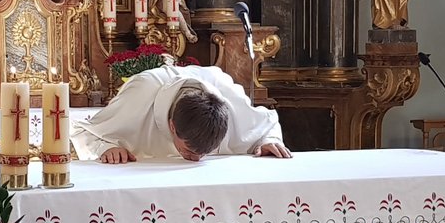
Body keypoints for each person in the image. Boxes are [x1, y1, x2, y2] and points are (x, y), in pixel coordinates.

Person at [71, 64, 290, 163]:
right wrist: (106, 147)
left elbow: (265, 125)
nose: (196, 159)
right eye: (189, 151)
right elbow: (85, 131)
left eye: (205, 153)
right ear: (172, 126)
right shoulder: (141, 91)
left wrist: (267, 141)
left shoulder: (226, 93)